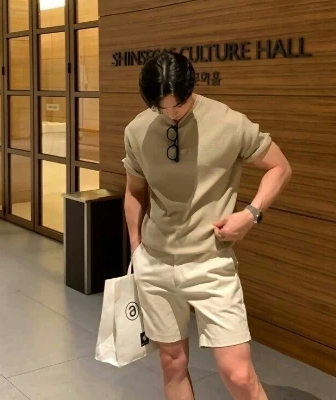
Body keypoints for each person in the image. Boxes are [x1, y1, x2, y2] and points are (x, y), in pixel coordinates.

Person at [123, 51, 292, 400]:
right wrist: (137, 249)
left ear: (191, 88)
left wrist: (251, 214)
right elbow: (134, 192)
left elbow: (280, 167)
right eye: (161, 108)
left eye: (179, 105)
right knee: (172, 363)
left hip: (211, 263)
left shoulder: (229, 122)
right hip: (155, 263)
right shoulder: (137, 130)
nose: (172, 114)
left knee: (239, 374)